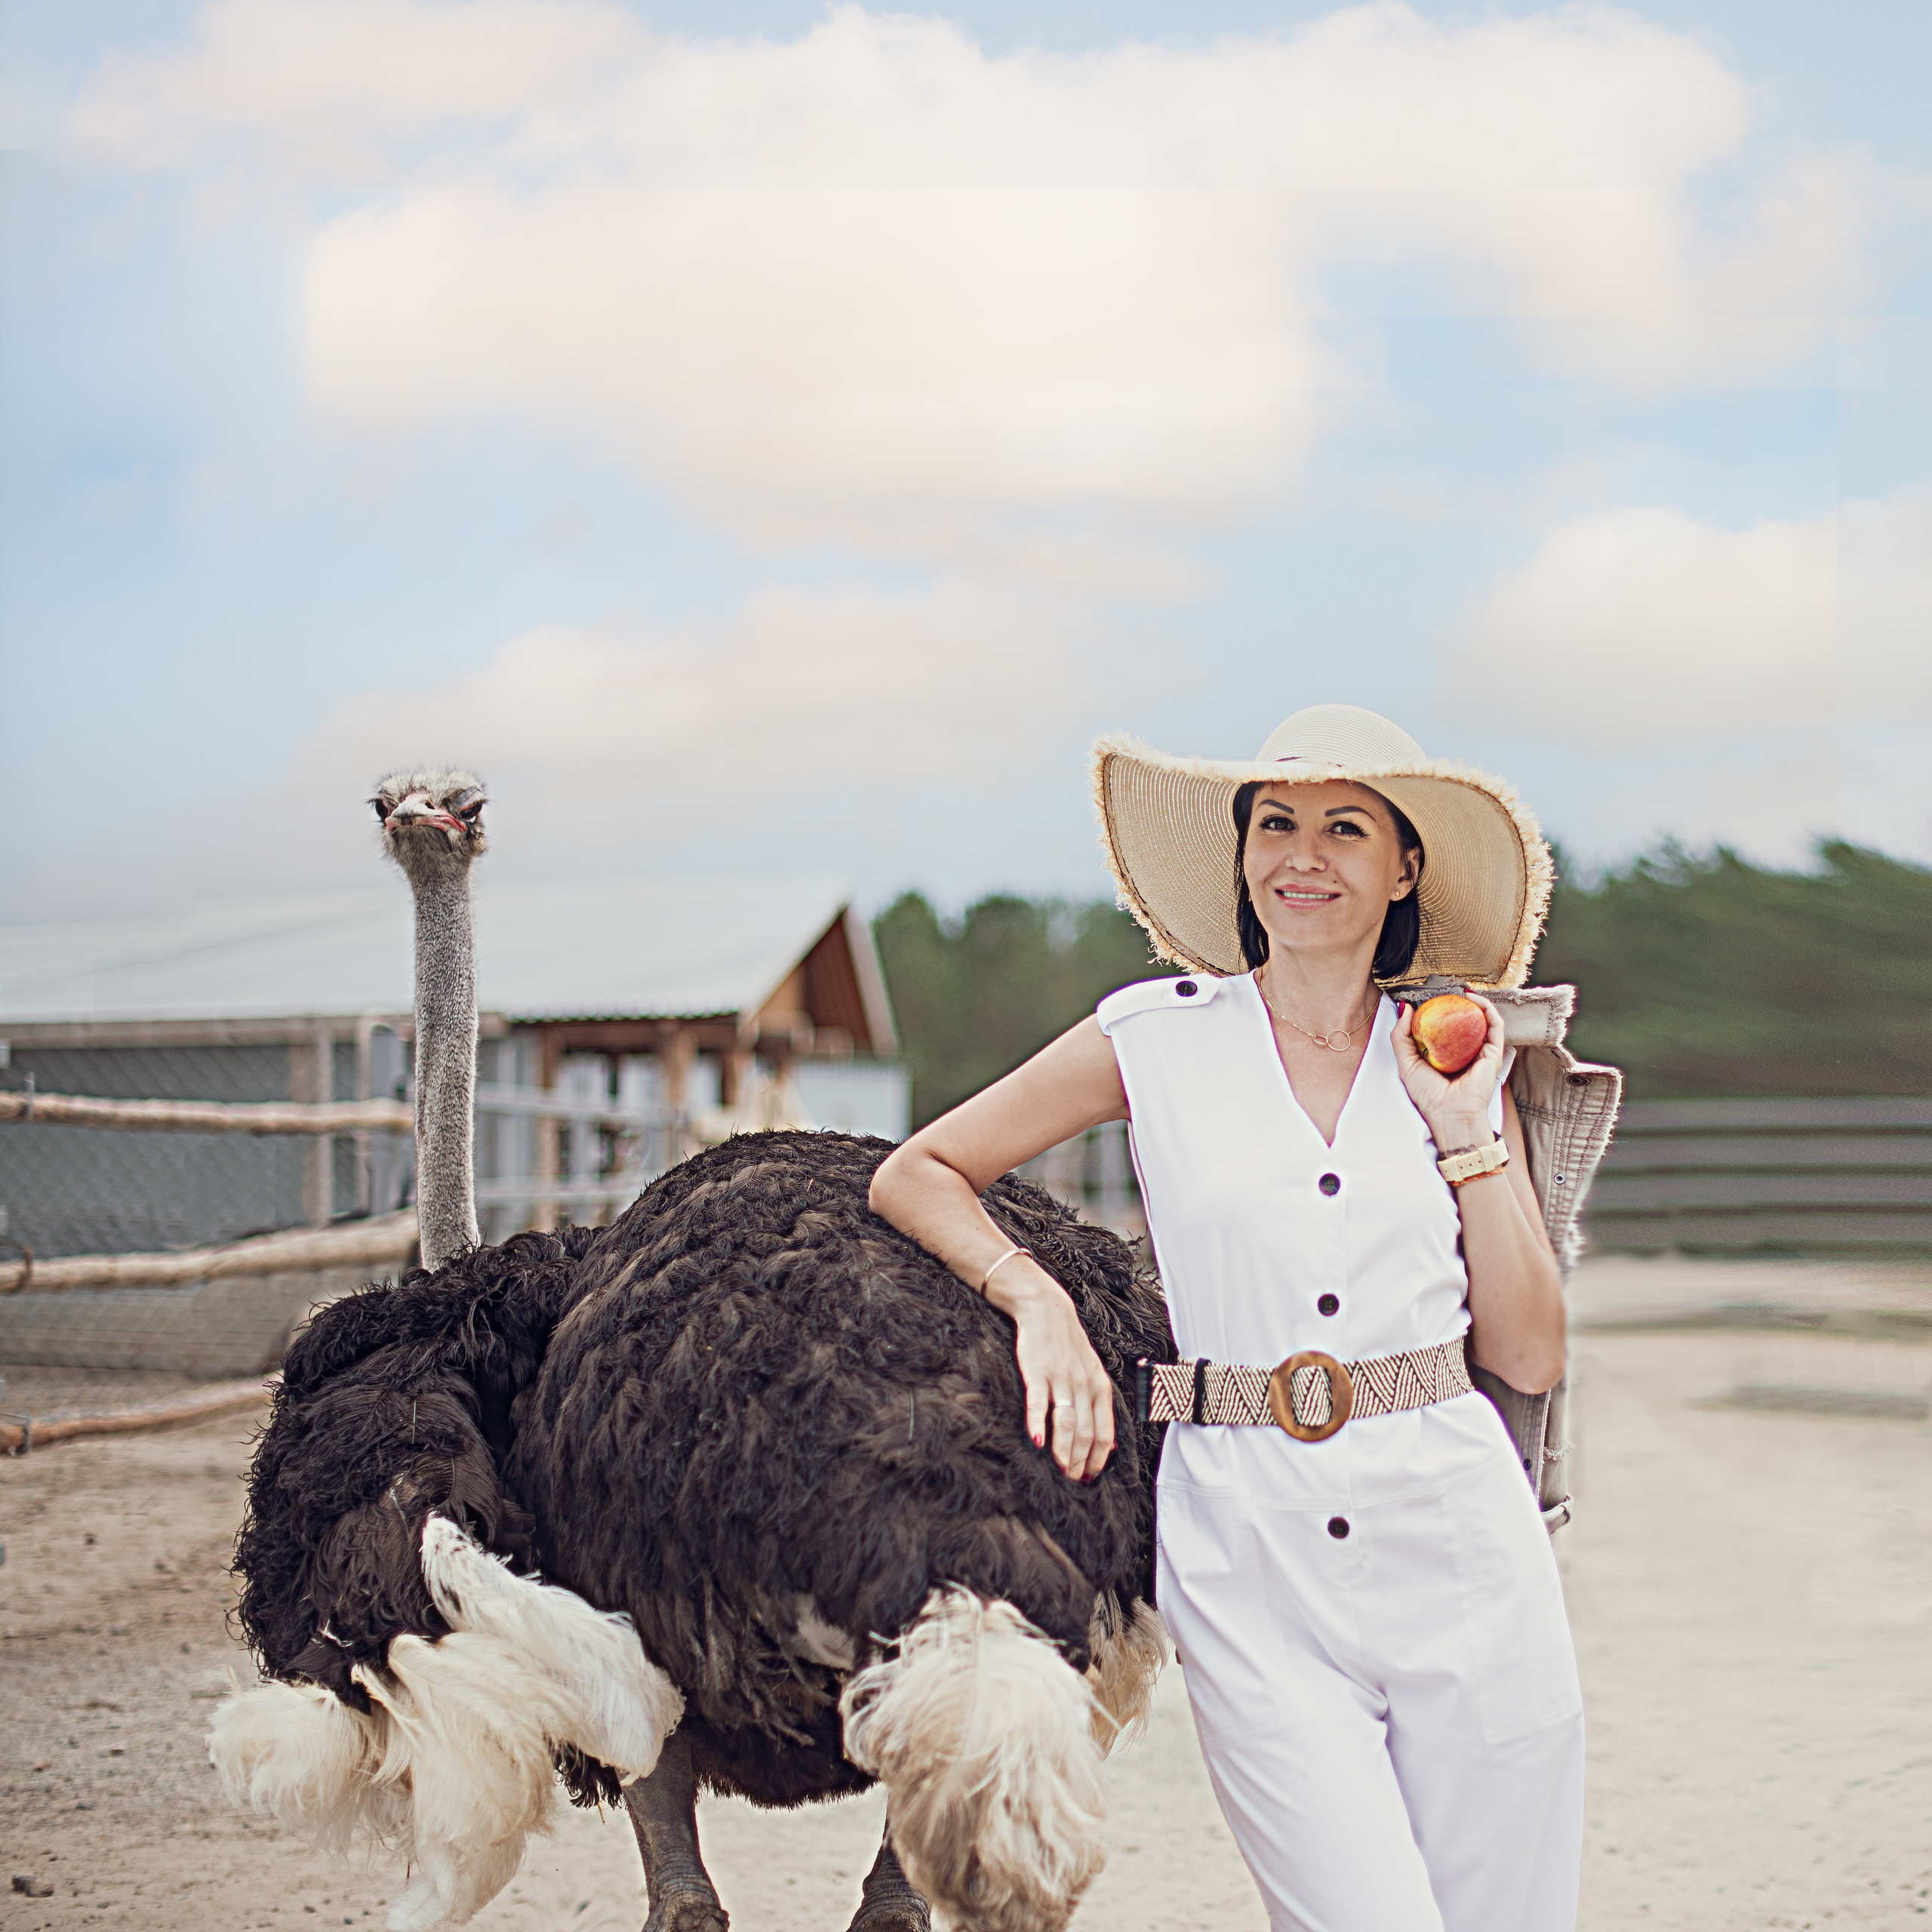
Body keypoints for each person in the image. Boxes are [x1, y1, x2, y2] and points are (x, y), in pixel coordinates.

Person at [870, 703, 1588, 1932]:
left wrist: (1468, 1133)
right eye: (1276, 825)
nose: (1302, 856)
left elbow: (1528, 1351)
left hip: (1463, 1540)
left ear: (1403, 867)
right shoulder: (1150, 1039)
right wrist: (1036, 1297)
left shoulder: (1460, 1056)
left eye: (1345, 828)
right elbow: (919, 1170)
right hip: (1249, 1552)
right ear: (1244, 854)